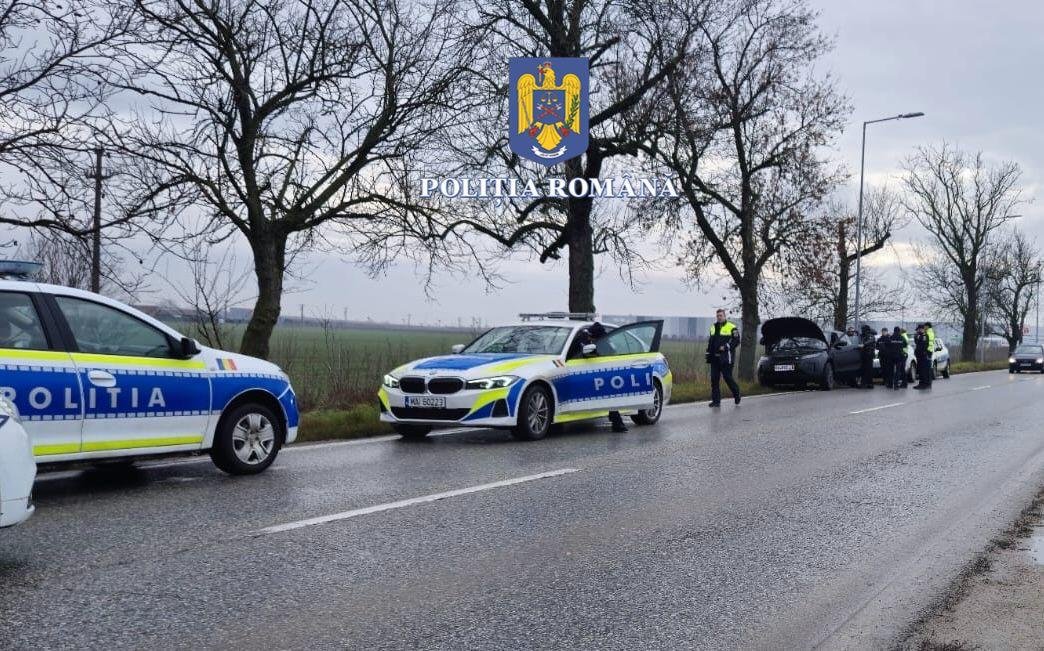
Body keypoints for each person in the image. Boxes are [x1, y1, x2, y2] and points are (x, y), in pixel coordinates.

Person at [584, 322, 628, 432]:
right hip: (601, 375)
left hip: (603, 375)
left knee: (610, 394)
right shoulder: (605, 343)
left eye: (590, 335)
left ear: (595, 336)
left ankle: (617, 421)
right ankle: (616, 421)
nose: (589, 337)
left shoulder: (603, 346)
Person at [706, 308, 741, 407]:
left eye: (721, 315)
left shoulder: (732, 327)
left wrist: (726, 347)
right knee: (714, 379)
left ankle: (737, 393)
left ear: (724, 316)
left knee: (727, 377)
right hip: (715, 358)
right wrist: (708, 353)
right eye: (717, 316)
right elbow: (710, 342)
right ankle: (716, 401)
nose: (719, 317)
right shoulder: (713, 327)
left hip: (726, 358)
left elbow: (736, 341)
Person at [913, 324, 932, 389]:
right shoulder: (920, 335)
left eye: (919, 329)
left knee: (923, 370)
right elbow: (916, 341)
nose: (918, 330)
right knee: (920, 370)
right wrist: (917, 336)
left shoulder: (925, 336)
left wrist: (918, 337)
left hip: (923, 355)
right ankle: (921, 383)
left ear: (922, 329)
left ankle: (924, 384)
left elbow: (923, 343)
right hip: (919, 355)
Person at [859, 324, 876, 389]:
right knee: (864, 369)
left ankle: (869, 384)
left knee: (868, 369)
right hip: (864, 354)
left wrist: (864, 344)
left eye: (863, 329)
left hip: (869, 354)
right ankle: (865, 383)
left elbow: (870, 341)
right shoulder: (863, 336)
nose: (862, 330)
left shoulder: (870, 336)